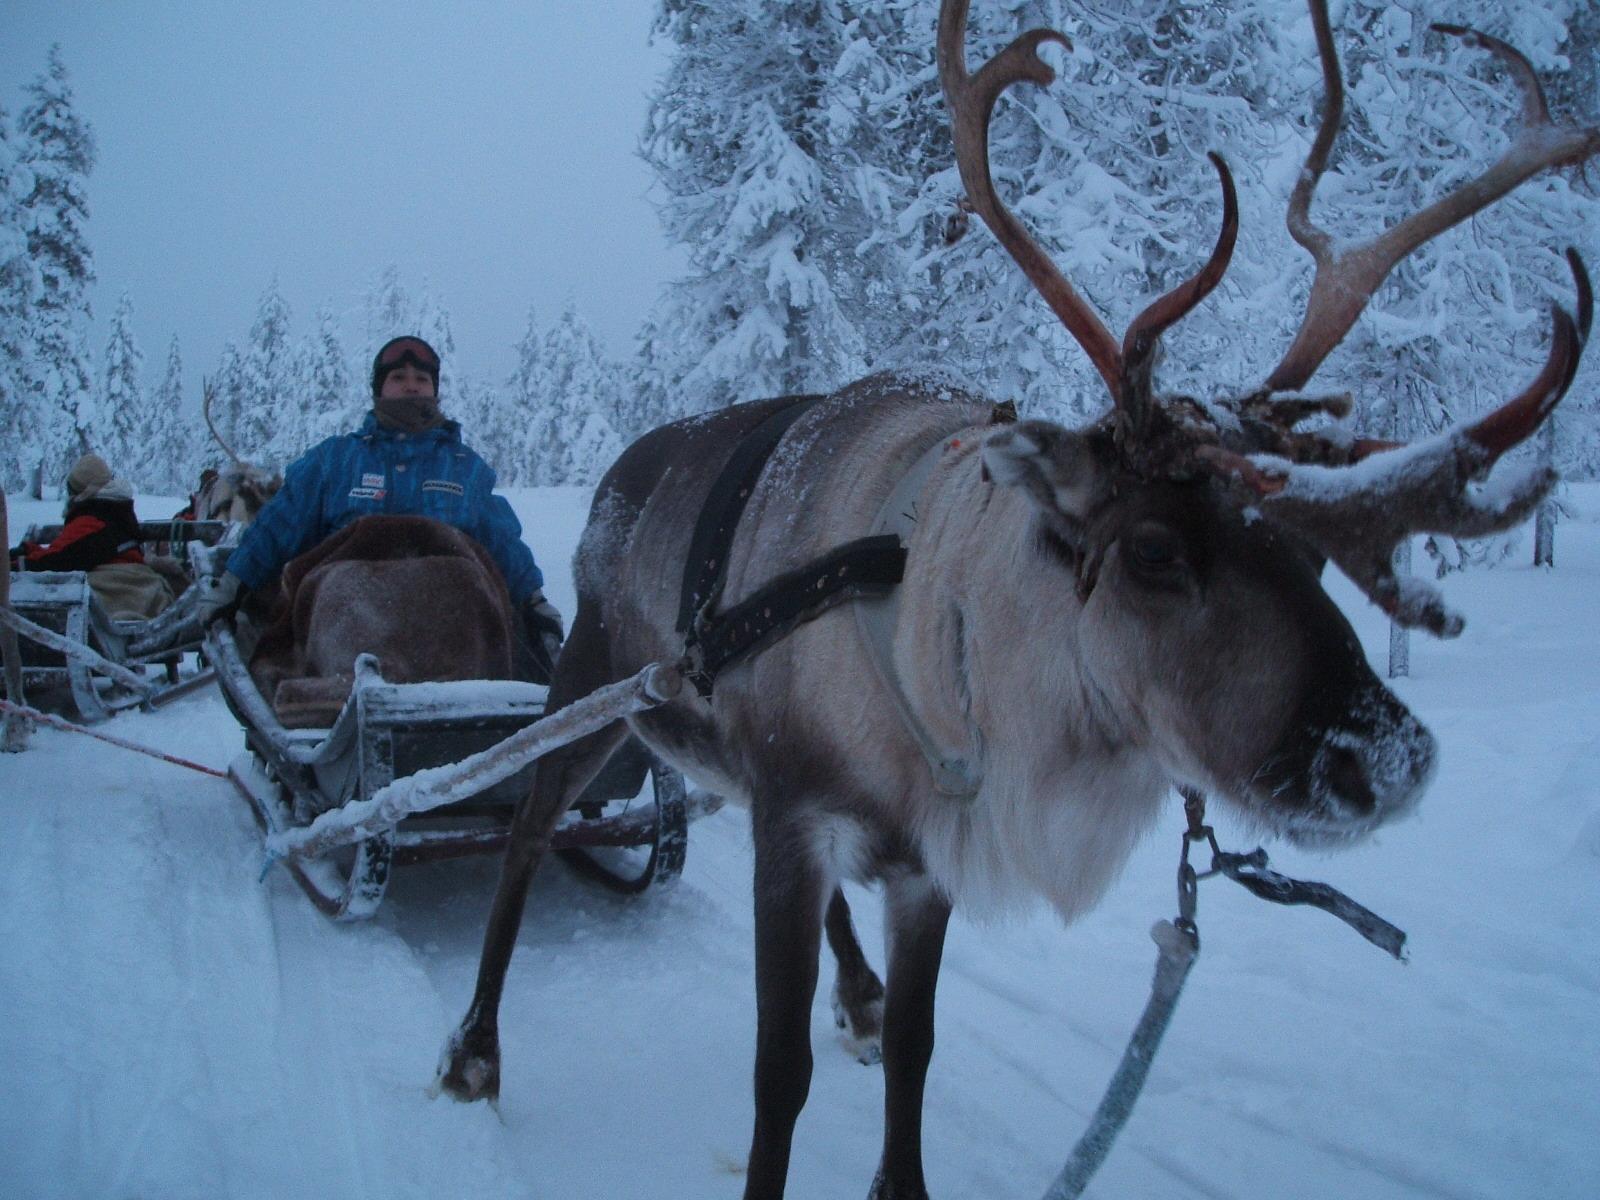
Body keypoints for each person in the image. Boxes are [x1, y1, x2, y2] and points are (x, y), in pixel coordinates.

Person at [196, 335, 563, 679]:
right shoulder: (336, 460)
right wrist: (234, 582)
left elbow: (500, 539)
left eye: (422, 377)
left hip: (447, 603)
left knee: (469, 583)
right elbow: (280, 524)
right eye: (398, 377)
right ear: (378, 390)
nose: (411, 385)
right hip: (350, 598)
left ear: (434, 389)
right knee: (339, 586)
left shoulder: (464, 467)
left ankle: (460, 690)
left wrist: (532, 598)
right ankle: (346, 687)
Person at [9, 453, 174, 619]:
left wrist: (18, 564)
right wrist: (30, 550)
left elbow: (58, 560)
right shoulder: (114, 511)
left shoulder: (91, 519)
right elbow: (75, 551)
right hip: (140, 583)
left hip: (118, 588)